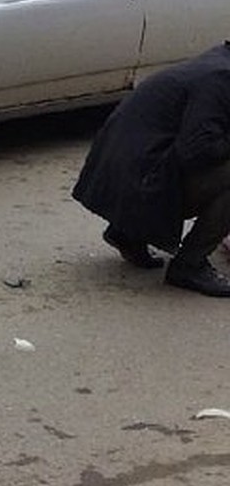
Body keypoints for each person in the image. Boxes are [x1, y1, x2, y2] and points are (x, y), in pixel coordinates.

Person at [72, 42, 230, 296]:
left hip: (117, 181)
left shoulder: (216, 64)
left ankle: (128, 233)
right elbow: (197, 151)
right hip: (137, 185)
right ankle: (190, 265)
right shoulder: (220, 80)